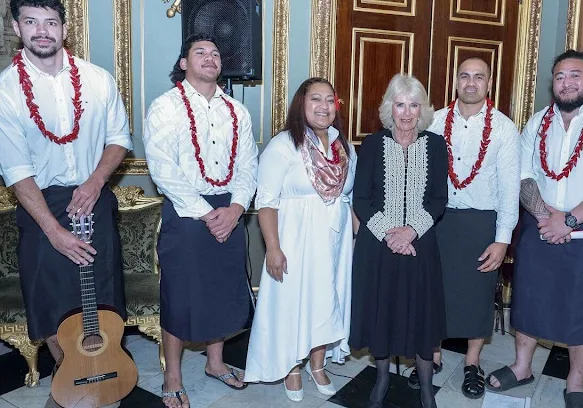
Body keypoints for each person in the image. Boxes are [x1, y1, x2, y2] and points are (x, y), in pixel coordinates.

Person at [486, 50, 583, 408]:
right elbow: (523, 174)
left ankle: (575, 381)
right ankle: (522, 366)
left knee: (581, 307)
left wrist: (570, 220)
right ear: (551, 83)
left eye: (575, 75)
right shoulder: (538, 121)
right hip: (539, 223)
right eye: (559, 76)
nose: (567, 82)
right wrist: (545, 216)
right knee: (527, 299)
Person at [0, 1, 131, 406]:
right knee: (52, 297)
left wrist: (95, 183)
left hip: (94, 196)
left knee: (103, 295)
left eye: (51, 22)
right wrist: (53, 231)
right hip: (41, 203)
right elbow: (16, 169)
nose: (42, 31)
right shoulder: (5, 90)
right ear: (17, 28)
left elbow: (119, 138)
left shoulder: (97, 79)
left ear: (64, 28)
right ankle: (70, 373)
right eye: (32, 22)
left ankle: (101, 373)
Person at [143, 33, 258, 408]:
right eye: (199, 52)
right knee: (180, 295)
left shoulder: (237, 111)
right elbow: (163, 170)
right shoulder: (165, 107)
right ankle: (172, 376)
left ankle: (215, 362)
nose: (210, 58)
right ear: (183, 62)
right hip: (185, 211)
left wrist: (237, 208)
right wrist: (208, 213)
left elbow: (248, 166)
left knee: (223, 292)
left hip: (230, 210)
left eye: (215, 54)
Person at [405, 57, 521, 399]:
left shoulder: (503, 128)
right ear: (456, 81)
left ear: (489, 84)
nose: (471, 82)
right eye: (464, 76)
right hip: (437, 221)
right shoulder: (435, 122)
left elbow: (509, 191)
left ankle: (472, 363)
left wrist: (502, 240)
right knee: (432, 291)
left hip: (480, 222)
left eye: (479, 77)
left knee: (476, 295)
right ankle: (434, 357)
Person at [243, 78, 357, 402]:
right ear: (300, 105)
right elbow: (265, 201)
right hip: (294, 238)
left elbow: (348, 198)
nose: (324, 106)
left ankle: (317, 364)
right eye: (315, 100)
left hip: (335, 241)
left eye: (329, 100)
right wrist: (274, 248)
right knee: (294, 301)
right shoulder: (283, 145)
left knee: (327, 298)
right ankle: (292, 366)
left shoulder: (341, 146)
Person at [350, 73, 448, 408]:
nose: (406, 112)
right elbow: (360, 200)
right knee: (382, 312)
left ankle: (425, 386)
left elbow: (438, 200)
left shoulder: (435, 145)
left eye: (413, 105)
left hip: (420, 245)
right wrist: (391, 235)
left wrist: (410, 232)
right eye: (400, 104)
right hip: (378, 247)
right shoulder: (372, 145)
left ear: (423, 109)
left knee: (421, 315)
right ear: (389, 107)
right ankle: (380, 379)